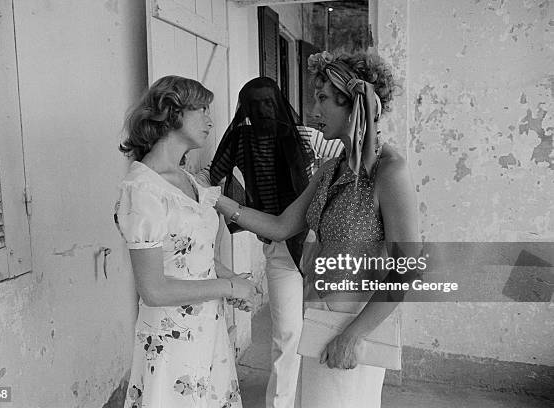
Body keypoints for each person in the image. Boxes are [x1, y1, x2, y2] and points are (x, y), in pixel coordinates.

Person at [213, 51, 419, 408]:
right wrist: (215, 200)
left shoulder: (389, 171)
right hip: (320, 316)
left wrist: (355, 334)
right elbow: (280, 226)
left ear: (353, 105)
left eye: (323, 98)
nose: (314, 110)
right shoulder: (330, 169)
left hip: (356, 323)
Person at [114, 75, 260, 408]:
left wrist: (232, 279)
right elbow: (154, 290)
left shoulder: (187, 178)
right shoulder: (143, 189)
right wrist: (228, 289)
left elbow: (194, 255)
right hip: (171, 339)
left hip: (207, 329)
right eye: (202, 109)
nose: (211, 120)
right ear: (172, 112)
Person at [202, 77, 314, 408]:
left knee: (324, 327)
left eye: (269, 102)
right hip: (279, 248)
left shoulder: (304, 135)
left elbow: (351, 153)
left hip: (316, 242)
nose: (264, 109)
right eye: (256, 104)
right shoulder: (240, 139)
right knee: (288, 334)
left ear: (279, 103)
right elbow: (212, 174)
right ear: (246, 109)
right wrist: (183, 188)